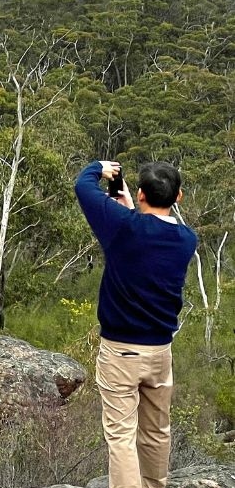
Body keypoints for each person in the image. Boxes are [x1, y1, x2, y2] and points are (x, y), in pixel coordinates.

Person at [75, 160, 197, 488]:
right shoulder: (187, 239)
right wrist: (133, 210)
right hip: (160, 353)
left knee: (121, 435)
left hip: (121, 353)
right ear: (179, 196)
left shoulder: (123, 228)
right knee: (157, 432)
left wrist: (99, 168)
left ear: (140, 194)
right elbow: (152, 234)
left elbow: (83, 187)